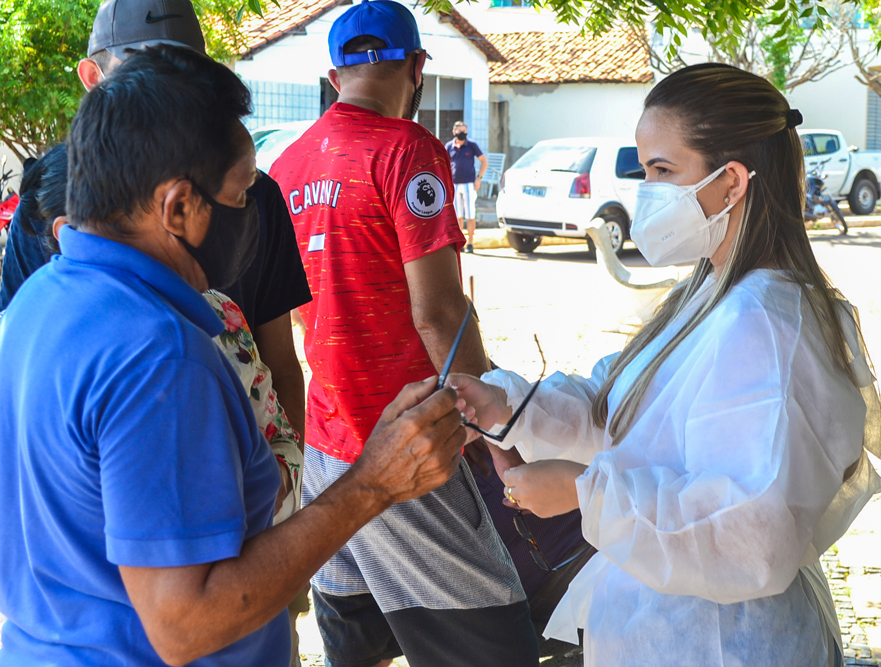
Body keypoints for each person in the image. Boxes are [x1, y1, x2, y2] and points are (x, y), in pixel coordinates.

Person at [0, 46, 472, 667]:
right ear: (179, 208)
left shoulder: (36, 304)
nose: (253, 213)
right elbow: (186, 625)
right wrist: (372, 484)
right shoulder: (158, 359)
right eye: (243, 192)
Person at [450, 63, 881, 667]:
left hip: (725, 644)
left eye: (663, 170)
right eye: (644, 169)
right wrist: (508, 405)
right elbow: (622, 404)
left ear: (730, 181)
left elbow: (752, 531)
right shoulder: (708, 291)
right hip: (664, 628)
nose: (646, 188)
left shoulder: (767, 321)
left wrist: (586, 493)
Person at [268, 2, 539, 665]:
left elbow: (293, 313)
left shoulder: (287, 165)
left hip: (328, 450)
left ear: (334, 77)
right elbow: (439, 312)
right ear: (417, 68)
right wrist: (495, 430)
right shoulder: (407, 149)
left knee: (358, 645)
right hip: (409, 440)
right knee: (492, 643)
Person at [0, 0, 312, 446]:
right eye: (144, 77)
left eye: (189, 76)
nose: (174, 96)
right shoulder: (44, 203)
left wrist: (286, 467)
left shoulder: (252, 196)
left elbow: (281, 364)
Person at [445, 120, 487, 252]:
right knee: (458, 215)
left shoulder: (472, 145)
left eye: (464, 130)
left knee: (470, 214)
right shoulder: (449, 146)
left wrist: (479, 179)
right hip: (454, 185)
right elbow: (444, 163)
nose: (462, 133)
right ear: (454, 132)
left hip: (469, 184)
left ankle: (470, 243)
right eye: (460, 131)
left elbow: (484, 161)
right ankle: (460, 243)